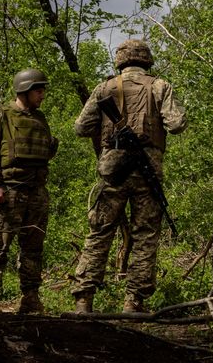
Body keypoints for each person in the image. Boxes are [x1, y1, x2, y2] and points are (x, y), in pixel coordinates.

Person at [70, 39, 187, 314]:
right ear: (147, 60)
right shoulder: (159, 86)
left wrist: (109, 131)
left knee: (99, 232)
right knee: (145, 235)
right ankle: (133, 301)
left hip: (113, 170)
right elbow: (177, 124)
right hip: (148, 172)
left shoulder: (105, 88)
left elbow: (80, 128)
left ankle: (83, 300)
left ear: (120, 61)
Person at [0, 68, 59, 314]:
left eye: (43, 89)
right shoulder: (1, 115)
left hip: (37, 192)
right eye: (38, 90)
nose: (42, 94)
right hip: (9, 191)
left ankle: (30, 298)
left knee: (33, 249)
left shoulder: (40, 118)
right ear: (24, 90)